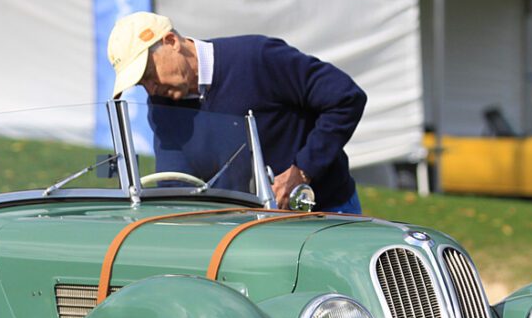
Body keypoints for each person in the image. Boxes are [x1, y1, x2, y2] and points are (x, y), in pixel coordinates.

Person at [107, 11, 366, 214]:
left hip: (326, 212)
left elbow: (345, 97)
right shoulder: (162, 105)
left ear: (171, 42)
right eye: (141, 83)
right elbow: (176, 183)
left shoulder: (258, 58)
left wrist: (302, 170)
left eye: (149, 75)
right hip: (245, 231)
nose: (150, 88)